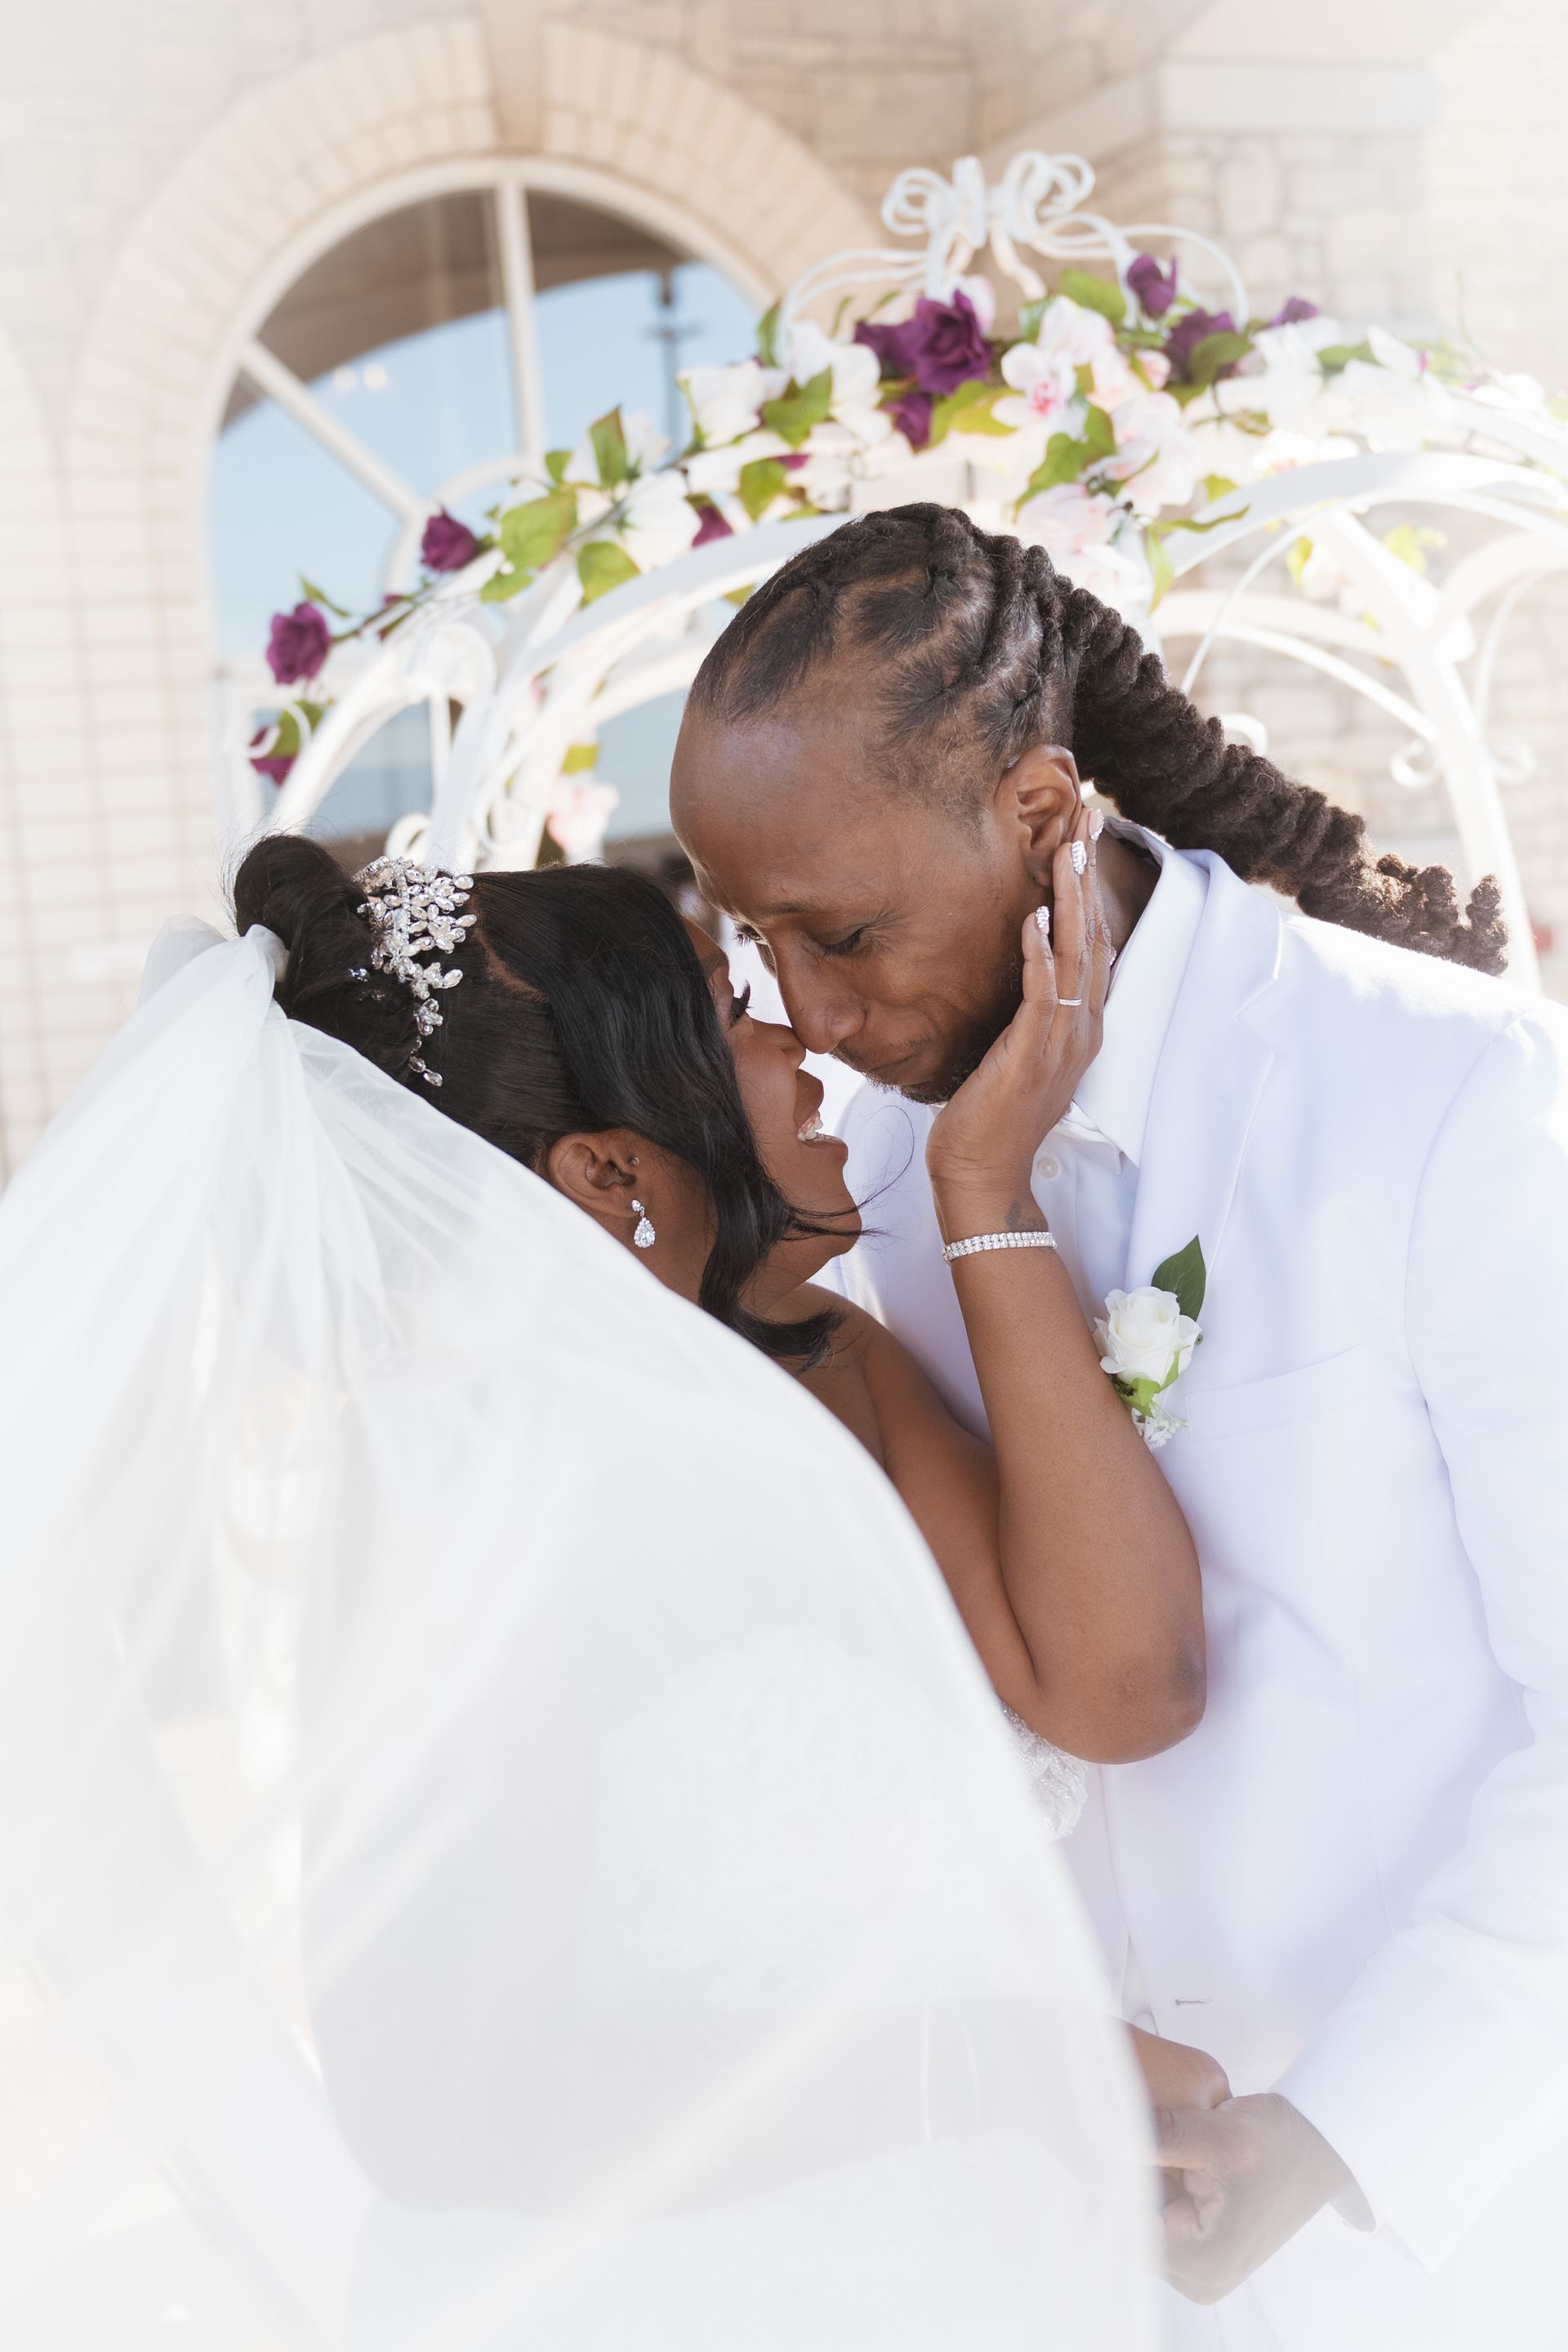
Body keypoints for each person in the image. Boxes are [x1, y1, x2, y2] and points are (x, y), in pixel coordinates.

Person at [0, 862, 1157, 2349]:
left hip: (960, 2255)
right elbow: (433, 2105)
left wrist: (983, 1194)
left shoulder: (823, 1366)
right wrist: (985, 2065)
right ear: (610, 1175)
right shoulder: (450, 1504)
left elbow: (1126, 1682)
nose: (795, 1039)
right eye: (731, 1013)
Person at [667, 500, 1568, 2352]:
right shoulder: (857, 1181)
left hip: (1442, 2227)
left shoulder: (1446, 1100)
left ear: (1044, 813)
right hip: (1050, 2250)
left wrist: (1341, 2134)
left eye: (846, 933)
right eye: (759, 946)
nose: (817, 1019)